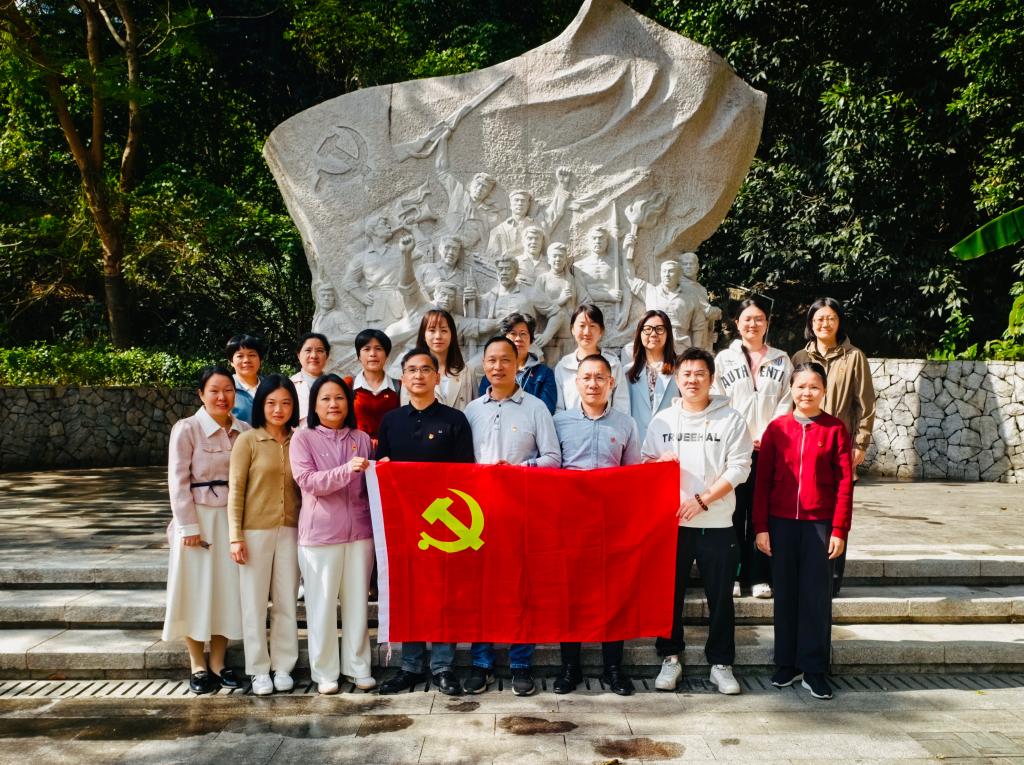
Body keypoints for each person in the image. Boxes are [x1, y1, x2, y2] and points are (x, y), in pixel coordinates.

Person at [642, 347, 752, 695]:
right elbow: (644, 464)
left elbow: (740, 468)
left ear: (711, 378)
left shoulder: (730, 419)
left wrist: (704, 499)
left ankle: (721, 664)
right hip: (672, 526)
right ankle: (670, 657)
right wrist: (658, 461)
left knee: (720, 598)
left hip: (717, 524)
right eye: (686, 374)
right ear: (677, 378)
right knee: (668, 597)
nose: (692, 380)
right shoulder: (662, 421)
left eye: (700, 374)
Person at [463, 336, 561, 696]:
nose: (498, 366)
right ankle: (481, 662)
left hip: (523, 513)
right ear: (484, 365)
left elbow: (553, 459)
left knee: (521, 589)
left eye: (506, 359)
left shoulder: (536, 407)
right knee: (481, 592)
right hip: (478, 517)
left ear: (518, 363)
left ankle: (521, 663)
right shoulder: (472, 410)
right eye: (492, 360)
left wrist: (521, 470)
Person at [376, 348, 476, 697]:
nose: (418, 376)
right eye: (411, 370)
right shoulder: (391, 421)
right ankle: (410, 666)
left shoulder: (455, 420)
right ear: (403, 378)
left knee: (444, 594)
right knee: (409, 594)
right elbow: (381, 469)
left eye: (425, 370)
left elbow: (465, 475)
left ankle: (443, 666)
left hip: (444, 525)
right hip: (403, 524)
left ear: (437, 377)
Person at [754, 362, 854, 701]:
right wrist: (761, 527)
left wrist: (839, 529)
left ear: (823, 391)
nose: (806, 392)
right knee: (785, 595)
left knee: (815, 598)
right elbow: (762, 483)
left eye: (814, 387)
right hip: (780, 523)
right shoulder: (777, 429)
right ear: (791, 389)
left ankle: (813, 669)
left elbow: (844, 485)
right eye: (800, 386)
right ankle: (786, 663)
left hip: (819, 525)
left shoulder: (835, 429)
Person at [553, 353, 641, 696]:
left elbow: (633, 476)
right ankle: (569, 667)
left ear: (611, 382)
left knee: (612, 595)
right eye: (586, 377)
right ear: (576, 382)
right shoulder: (558, 422)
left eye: (599, 377)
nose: (593, 383)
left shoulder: (625, 424)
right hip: (569, 523)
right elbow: (550, 468)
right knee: (569, 595)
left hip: (611, 524)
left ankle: (613, 669)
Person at [162, 366, 250, 694]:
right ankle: (197, 663)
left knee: (226, 591)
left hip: (231, 519)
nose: (222, 397)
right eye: (214, 390)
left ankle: (218, 662)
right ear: (201, 394)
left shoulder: (244, 431)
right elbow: (177, 481)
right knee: (194, 590)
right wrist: (188, 525)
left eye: (228, 390)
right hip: (196, 518)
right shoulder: (186, 429)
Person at [289, 374, 376, 694]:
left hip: (360, 534)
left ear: (348, 403)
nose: (333, 404)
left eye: (339, 397)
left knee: (357, 604)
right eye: (325, 398)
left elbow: (371, 483)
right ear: (314, 405)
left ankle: (358, 667)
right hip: (320, 537)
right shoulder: (303, 438)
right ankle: (325, 672)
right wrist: (346, 470)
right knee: (322, 607)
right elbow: (308, 481)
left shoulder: (361, 438)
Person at [791, 297, 875, 596]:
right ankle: (804, 573)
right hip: (804, 446)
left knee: (838, 510)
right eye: (819, 319)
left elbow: (865, 404)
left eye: (830, 318)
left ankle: (832, 578)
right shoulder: (800, 356)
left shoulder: (854, 357)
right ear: (810, 324)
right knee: (807, 509)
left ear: (839, 322)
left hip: (839, 446)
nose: (824, 324)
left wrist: (860, 443)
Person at [712, 297, 793, 600]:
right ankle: (734, 574)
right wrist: (741, 436)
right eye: (747, 319)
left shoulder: (781, 359)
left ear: (767, 323)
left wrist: (768, 434)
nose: (753, 324)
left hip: (769, 450)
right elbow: (718, 400)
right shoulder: (723, 359)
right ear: (737, 323)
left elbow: (787, 399)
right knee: (733, 513)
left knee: (762, 515)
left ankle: (759, 575)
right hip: (734, 451)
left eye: (759, 318)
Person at [227, 375, 301, 696]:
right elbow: (236, 490)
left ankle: (283, 666)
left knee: (286, 601)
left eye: (285, 403)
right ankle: (258, 670)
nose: (278, 409)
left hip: (291, 530)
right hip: (254, 532)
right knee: (254, 604)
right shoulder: (248, 440)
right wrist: (235, 536)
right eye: (271, 403)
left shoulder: (300, 440)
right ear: (261, 405)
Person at [555, 304, 629, 415]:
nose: (587, 332)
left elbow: (622, 406)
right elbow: (559, 409)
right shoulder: (563, 366)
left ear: (601, 331)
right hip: (571, 425)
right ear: (573, 329)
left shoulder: (613, 365)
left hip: (608, 425)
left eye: (592, 326)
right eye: (582, 325)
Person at [476, 312, 558, 414]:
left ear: (530, 339)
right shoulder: (494, 373)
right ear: (505, 338)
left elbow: (546, 411)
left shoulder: (544, 374)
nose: (518, 338)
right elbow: (485, 409)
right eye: (513, 333)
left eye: (523, 334)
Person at [400, 309, 477, 410]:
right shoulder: (412, 373)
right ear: (424, 336)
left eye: (444, 330)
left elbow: (474, 409)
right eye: (432, 330)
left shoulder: (466, 371)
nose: (438, 336)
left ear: (452, 335)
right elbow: (406, 411)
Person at [624, 310, 679, 441]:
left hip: (671, 442)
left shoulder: (680, 369)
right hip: (637, 443)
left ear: (668, 333)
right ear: (640, 334)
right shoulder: (627, 372)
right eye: (647, 329)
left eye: (659, 329)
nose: (653, 334)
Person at [344, 329, 401, 446]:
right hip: (356, 449)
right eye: (366, 349)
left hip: (390, 450)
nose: (373, 354)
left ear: (387, 355)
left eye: (378, 349)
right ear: (359, 355)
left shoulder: (399, 386)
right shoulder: (348, 385)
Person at [290, 332, 330, 424]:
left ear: (327, 356)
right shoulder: (289, 385)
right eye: (308, 350)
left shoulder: (336, 386)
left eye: (320, 351)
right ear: (299, 355)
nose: (314, 356)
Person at [227, 334, 266, 425]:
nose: (246, 360)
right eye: (240, 356)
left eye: (252, 355)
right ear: (231, 362)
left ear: (260, 360)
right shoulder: (225, 388)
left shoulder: (271, 387)